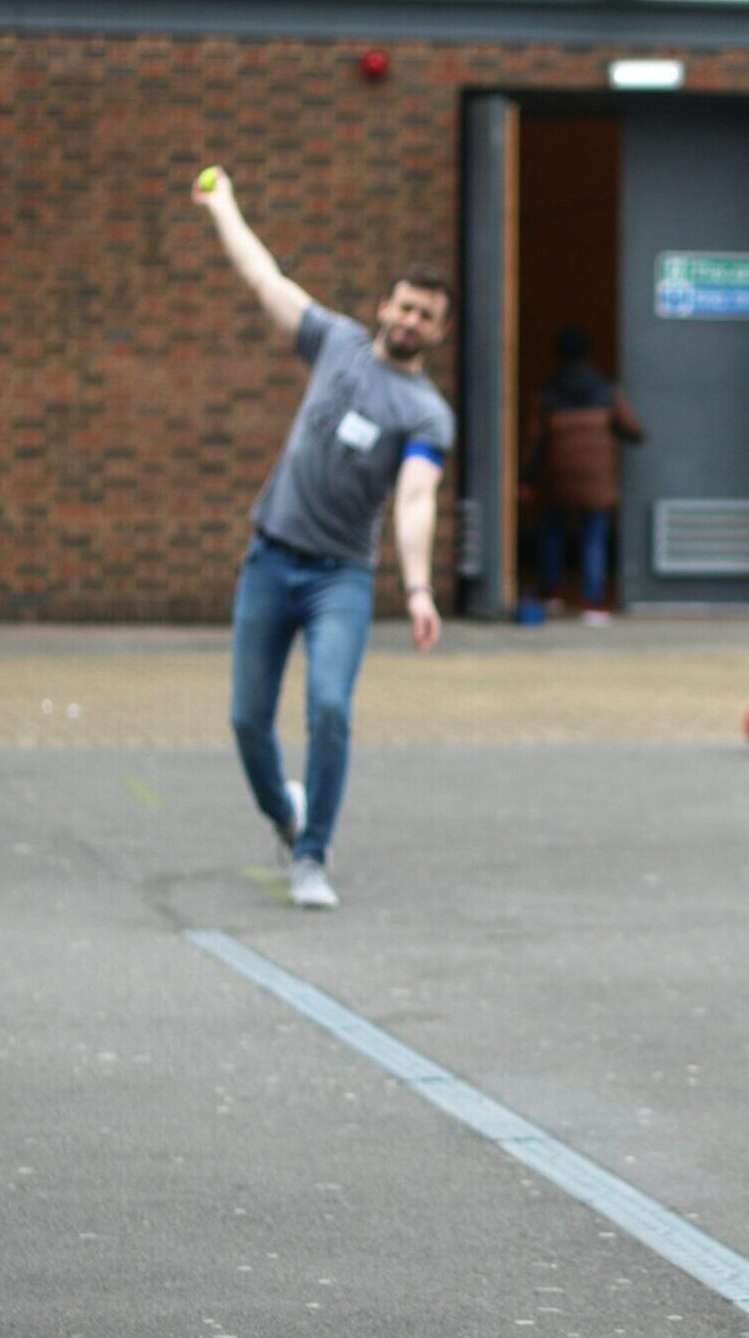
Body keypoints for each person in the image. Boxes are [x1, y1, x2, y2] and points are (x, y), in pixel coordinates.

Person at [193, 166, 456, 911]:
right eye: (405, 307)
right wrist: (225, 206)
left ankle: (313, 856)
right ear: (385, 306)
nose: (410, 321)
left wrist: (417, 589)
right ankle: (286, 814)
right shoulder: (335, 343)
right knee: (247, 718)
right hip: (270, 558)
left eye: (426, 317)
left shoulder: (427, 413)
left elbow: (414, 499)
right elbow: (262, 277)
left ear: (438, 332)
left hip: (339, 577)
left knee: (330, 708)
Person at [523, 325, 644, 625]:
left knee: (552, 534)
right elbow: (632, 428)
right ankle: (593, 603)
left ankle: (550, 594)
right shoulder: (606, 389)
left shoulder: (548, 391)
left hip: (558, 476)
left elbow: (532, 441)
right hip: (596, 479)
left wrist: (525, 479)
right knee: (594, 537)